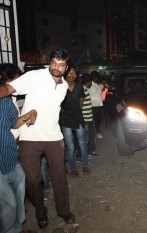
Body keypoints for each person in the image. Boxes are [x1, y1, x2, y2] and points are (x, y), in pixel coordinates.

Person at [0, 49, 76, 229]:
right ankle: (40, 213)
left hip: (54, 137)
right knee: (33, 180)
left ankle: (64, 211)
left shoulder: (64, 86)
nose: (57, 67)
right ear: (49, 62)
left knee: (59, 177)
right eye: (54, 63)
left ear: (66, 67)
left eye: (61, 64)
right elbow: (7, 89)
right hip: (29, 136)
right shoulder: (34, 76)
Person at [0, 77, 37, 233]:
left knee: (19, 198)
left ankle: (18, 227)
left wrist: (31, 113)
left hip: (12, 157)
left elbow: (14, 123)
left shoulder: (5, 102)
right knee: (9, 204)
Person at [60, 65, 91, 177]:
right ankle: (73, 168)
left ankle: (85, 165)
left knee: (82, 143)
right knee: (71, 146)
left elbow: (80, 104)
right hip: (65, 120)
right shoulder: (60, 86)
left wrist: (76, 112)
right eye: (69, 72)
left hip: (78, 118)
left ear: (76, 75)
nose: (71, 75)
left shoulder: (79, 87)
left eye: (74, 73)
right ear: (65, 74)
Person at [81, 73, 101, 158]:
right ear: (89, 81)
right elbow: (80, 106)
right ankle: (82, 155)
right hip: (85, 117)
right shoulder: (82, 90)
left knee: (92, 134)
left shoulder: (87, 88)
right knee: (85, 138)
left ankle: (90, 152)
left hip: (90, 115)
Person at [89, 71, 104, 140]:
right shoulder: (89, 84)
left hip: (98, 105)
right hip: (92, 106)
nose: (97, 79)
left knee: (98, 120)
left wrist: (102, 85)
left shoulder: (96, 84)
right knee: (93, 121)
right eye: (97, 77)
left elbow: (102, 89)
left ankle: (96, 132)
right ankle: (93, 133)